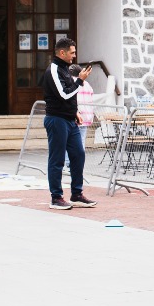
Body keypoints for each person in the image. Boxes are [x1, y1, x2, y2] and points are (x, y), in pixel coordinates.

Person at [42, 38, 96, 211]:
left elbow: (70, 97)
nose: (74, 56)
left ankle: (76, 194)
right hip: (56, 119)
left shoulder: (64, 69)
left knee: (78, 154)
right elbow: (64, 95)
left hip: (69, 119)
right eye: (72, 52)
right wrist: (80, 80)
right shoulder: (53, 69)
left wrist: (75, 112)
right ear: (62, 53)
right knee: (57, 159)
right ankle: (56, 197)